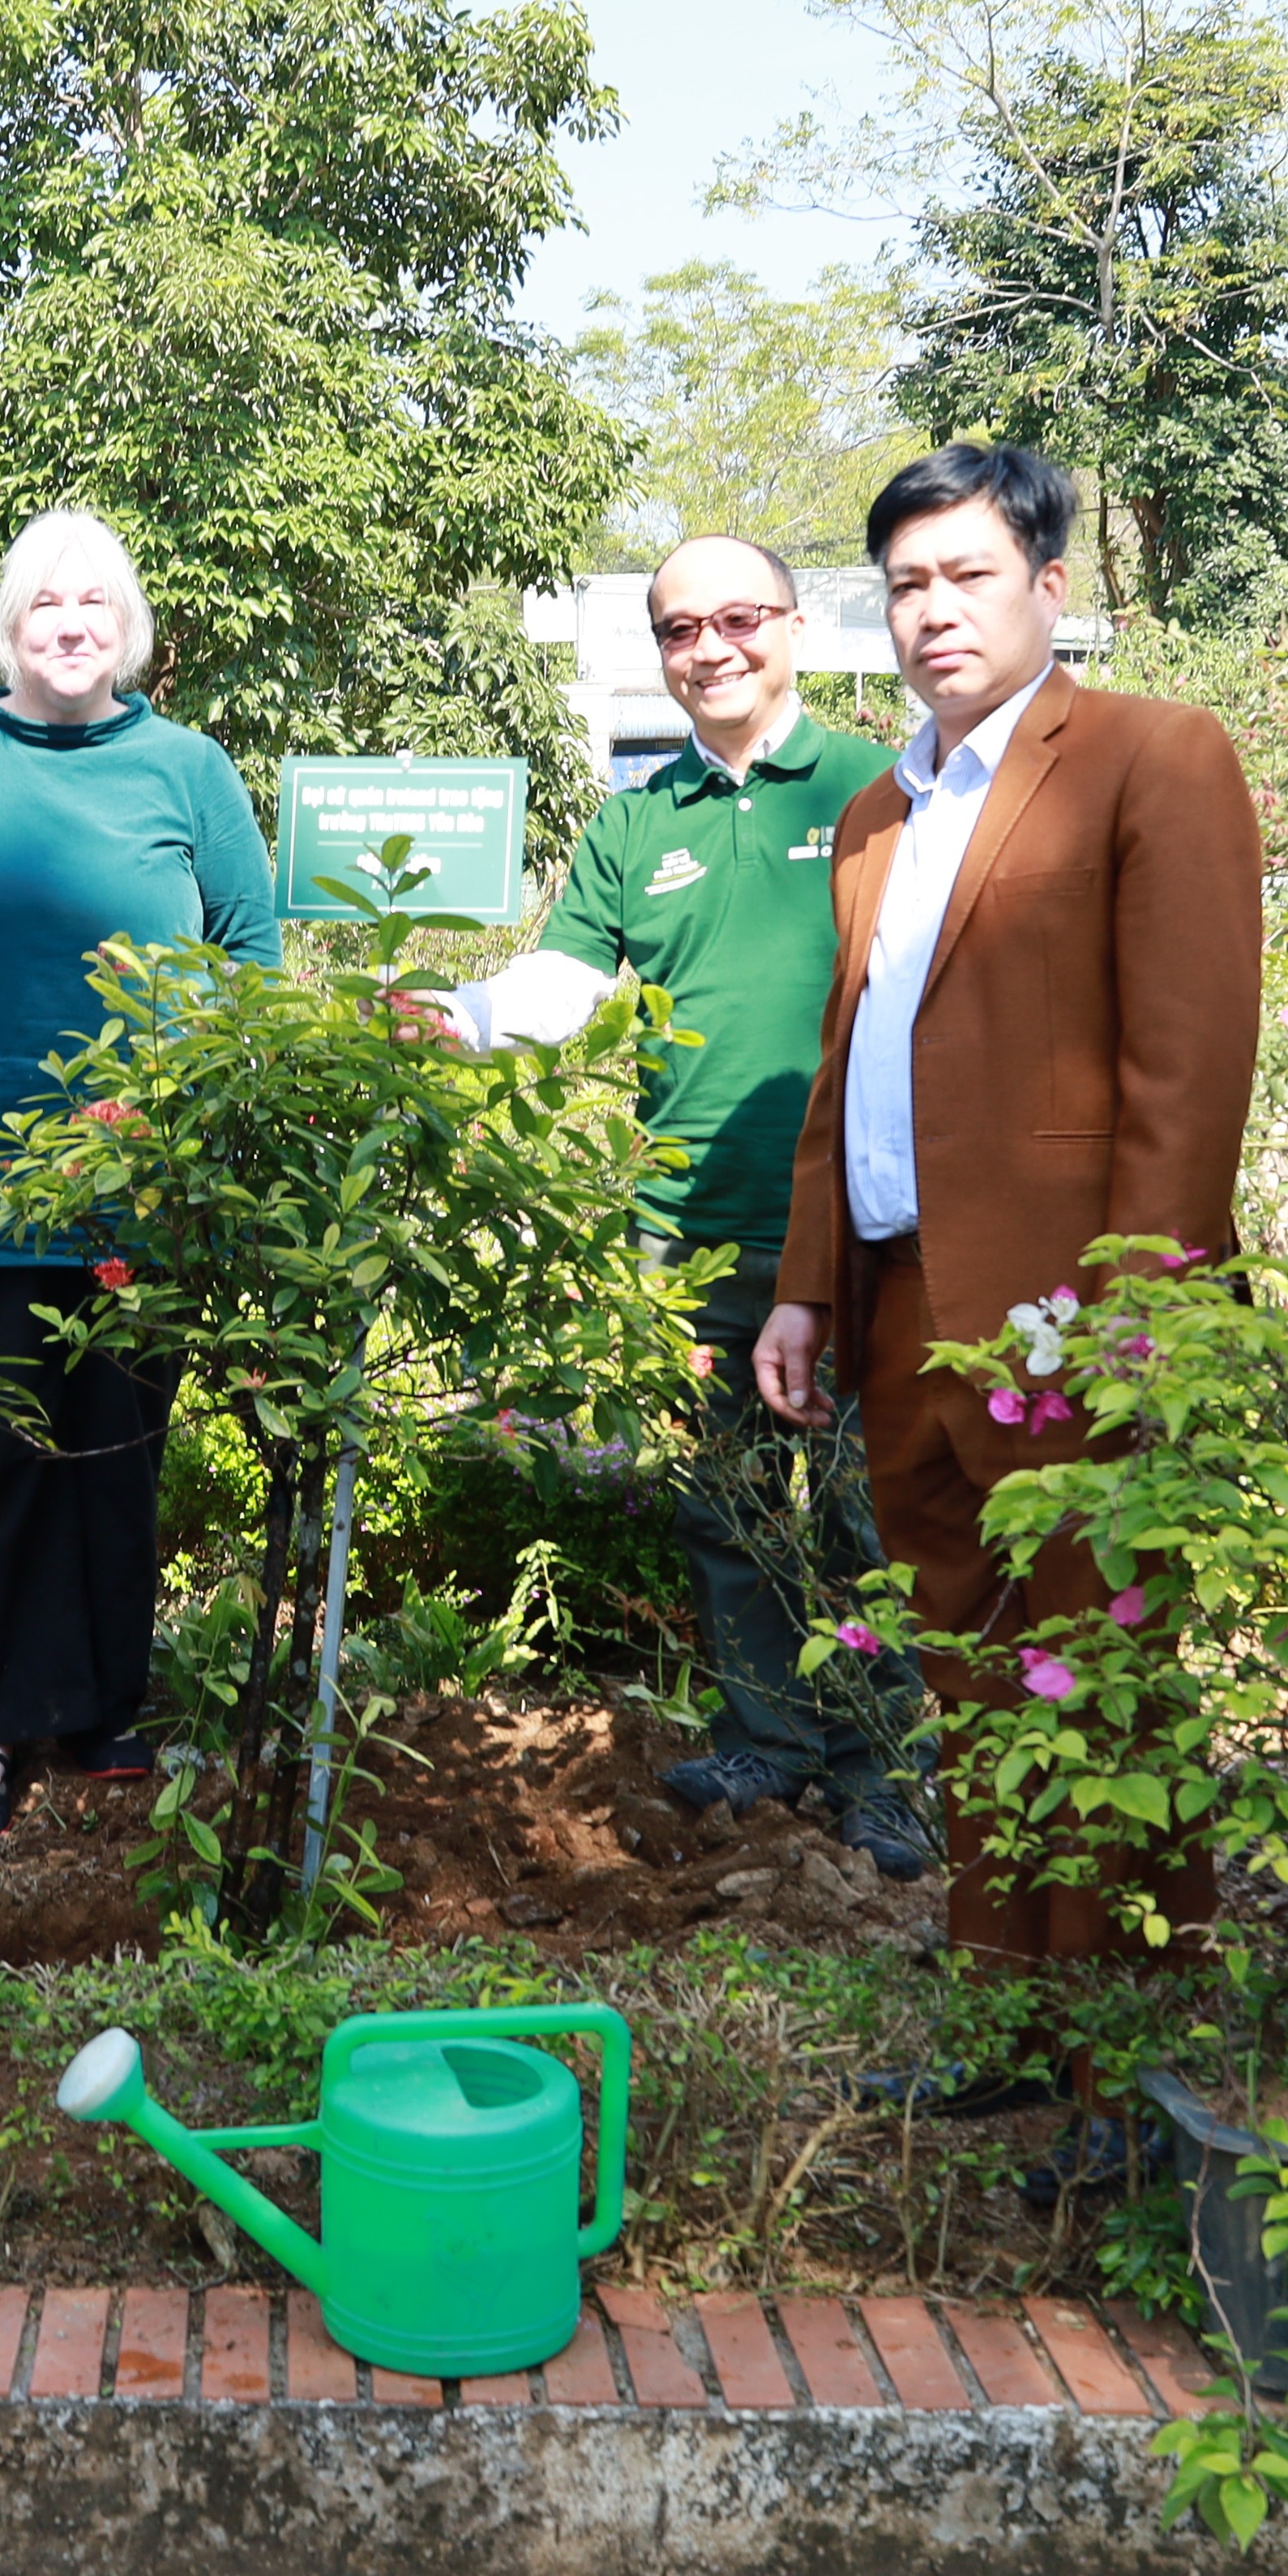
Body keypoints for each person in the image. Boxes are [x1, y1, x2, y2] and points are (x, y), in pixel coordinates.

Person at [750, 444, 1258, 2189]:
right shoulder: (884, 809)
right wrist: (809, 1281)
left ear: (1049, 584)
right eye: (906, 584)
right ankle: (1015, 2029)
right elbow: (849, 1069)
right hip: (903, 1314)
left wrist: (1135, 1321)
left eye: (968, 575)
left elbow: (1188, 1084)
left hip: (1073, 1332)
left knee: (1105, 1693)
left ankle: (1136, 2074)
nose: (935, 610)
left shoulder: (1150, 758)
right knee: (976, 1685)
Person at [414, 535, 918, 1873]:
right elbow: (569, 982)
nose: (709, 649)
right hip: (691, 1227)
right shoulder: (641, 821)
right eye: (678, 629)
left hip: (868, 1224)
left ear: (796, 627)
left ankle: (888, 1773)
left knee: (869, 1508)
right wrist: (462, 1016)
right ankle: (769, 1739)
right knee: (726, 1498)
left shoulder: (879, 787)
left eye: (736, 619)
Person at [0, 508, 280, 1841]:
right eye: (47, 603)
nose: (71, 625)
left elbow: (247, 948)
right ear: (8, 625)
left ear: (128, 626)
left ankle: (104, 1710)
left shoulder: (189, 768)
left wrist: (186, 1115)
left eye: (96, 603)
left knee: (116, 1452)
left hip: (139, 1184)